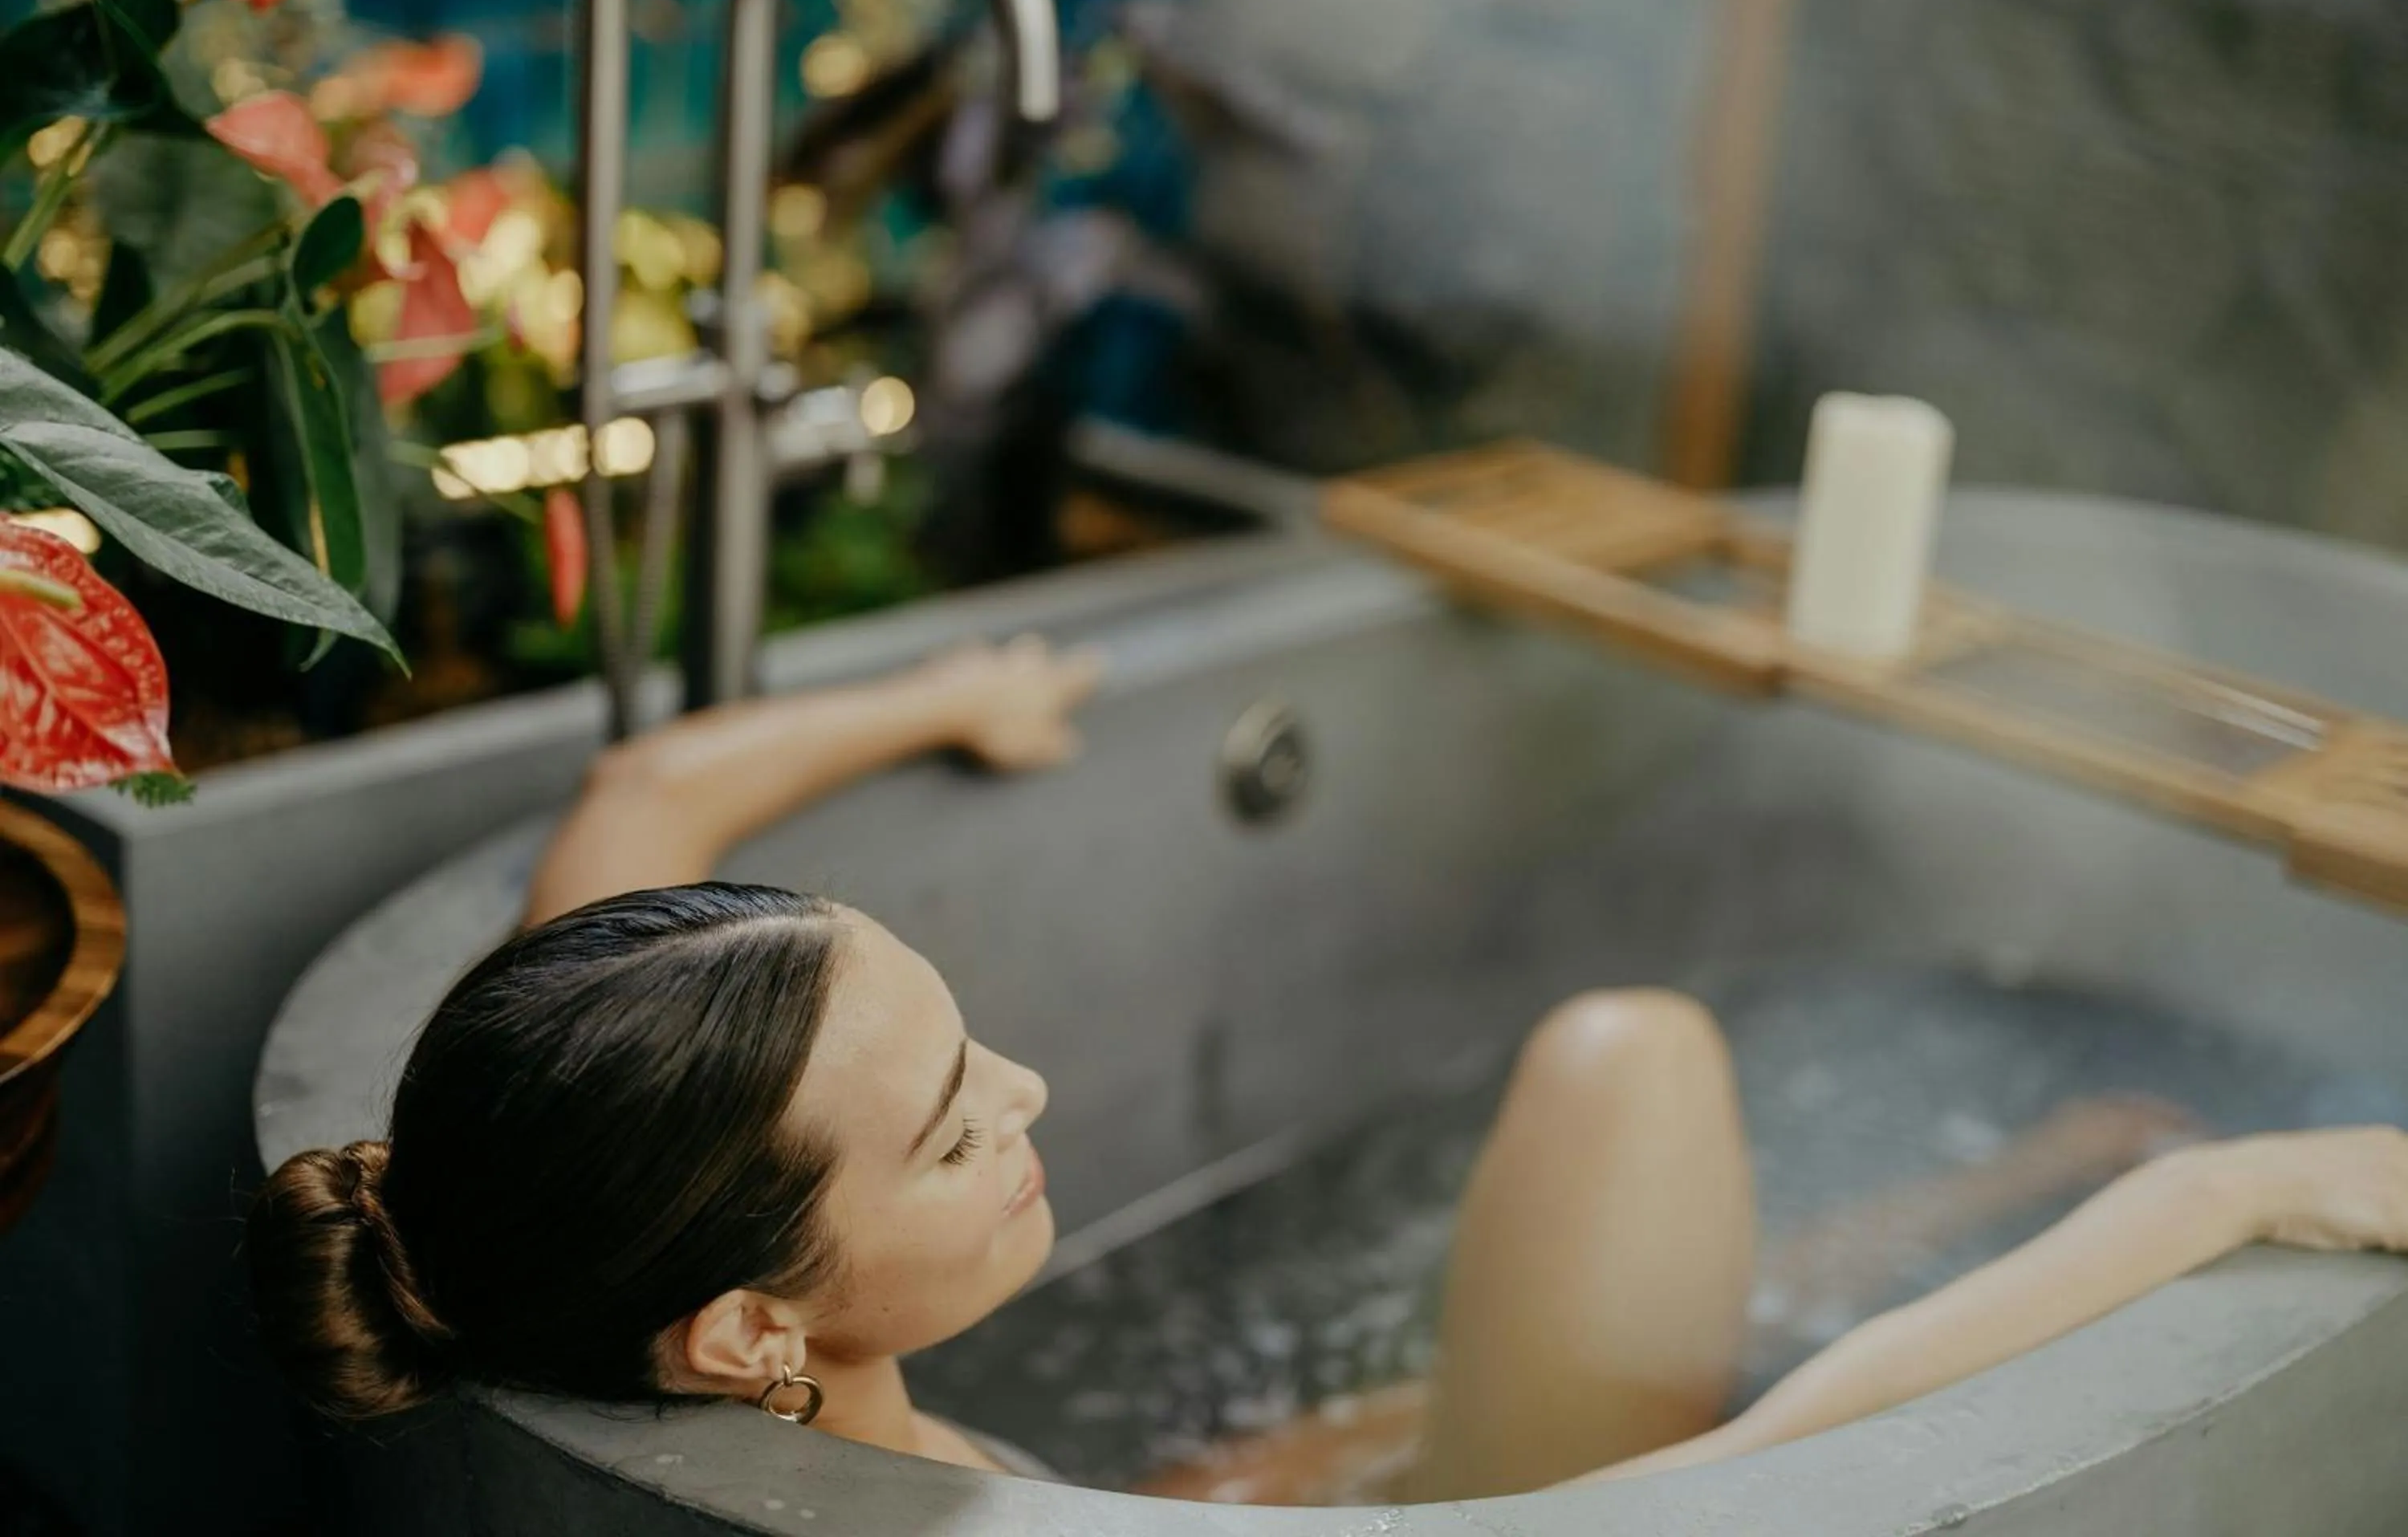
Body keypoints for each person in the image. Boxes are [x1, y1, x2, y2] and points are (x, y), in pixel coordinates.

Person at [246, 639, 2408, 1502]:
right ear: (747, 1331)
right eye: (956, 1128)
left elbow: (644, 803)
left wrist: (965, 699)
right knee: (1640, 1071)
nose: (1033, 1095)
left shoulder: (561, 1165)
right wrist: (2207, 1198)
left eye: (969, 1041)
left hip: (1246, 1491)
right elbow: (1709, 1503)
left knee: (1629, 1071)